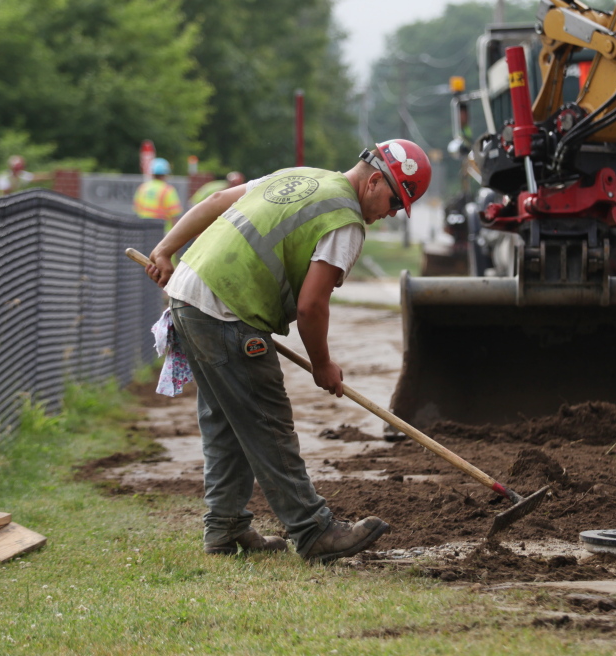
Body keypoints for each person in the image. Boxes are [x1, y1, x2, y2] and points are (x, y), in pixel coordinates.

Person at [143, 139, 432, 563]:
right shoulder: (345, 222)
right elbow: (312, 306)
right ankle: (314, 531)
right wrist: (322, 364)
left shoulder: (299, 176)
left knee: (227, 423)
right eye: (394, 202)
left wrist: (166, 249)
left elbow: (218, 201)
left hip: (188, 297)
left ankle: (224, 526)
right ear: (374, 181)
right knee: (267, 423)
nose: (390, 213)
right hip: (228, 311)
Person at [133, 158, 183, 232]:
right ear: (166, 173)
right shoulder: (168, 190)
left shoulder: (142, 188)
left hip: (144, 231)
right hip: (162, 232)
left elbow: (137, 209)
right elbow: (174, 215)